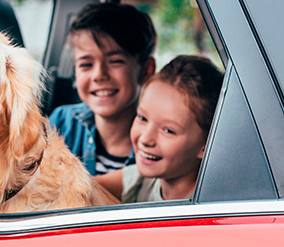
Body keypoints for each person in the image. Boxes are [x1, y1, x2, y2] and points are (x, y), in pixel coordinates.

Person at [94, 55, 224, 202]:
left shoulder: (211, 205)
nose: (145, 139)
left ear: (207, 145)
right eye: (142, 118)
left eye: (168, 130)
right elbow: (83, 188)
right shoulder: (142, 180)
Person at [49, 2, 157, 175]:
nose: (99, 75)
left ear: (146, 70)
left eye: (115, 61)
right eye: (86, 64)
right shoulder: (62, 123)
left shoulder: (159, 144)